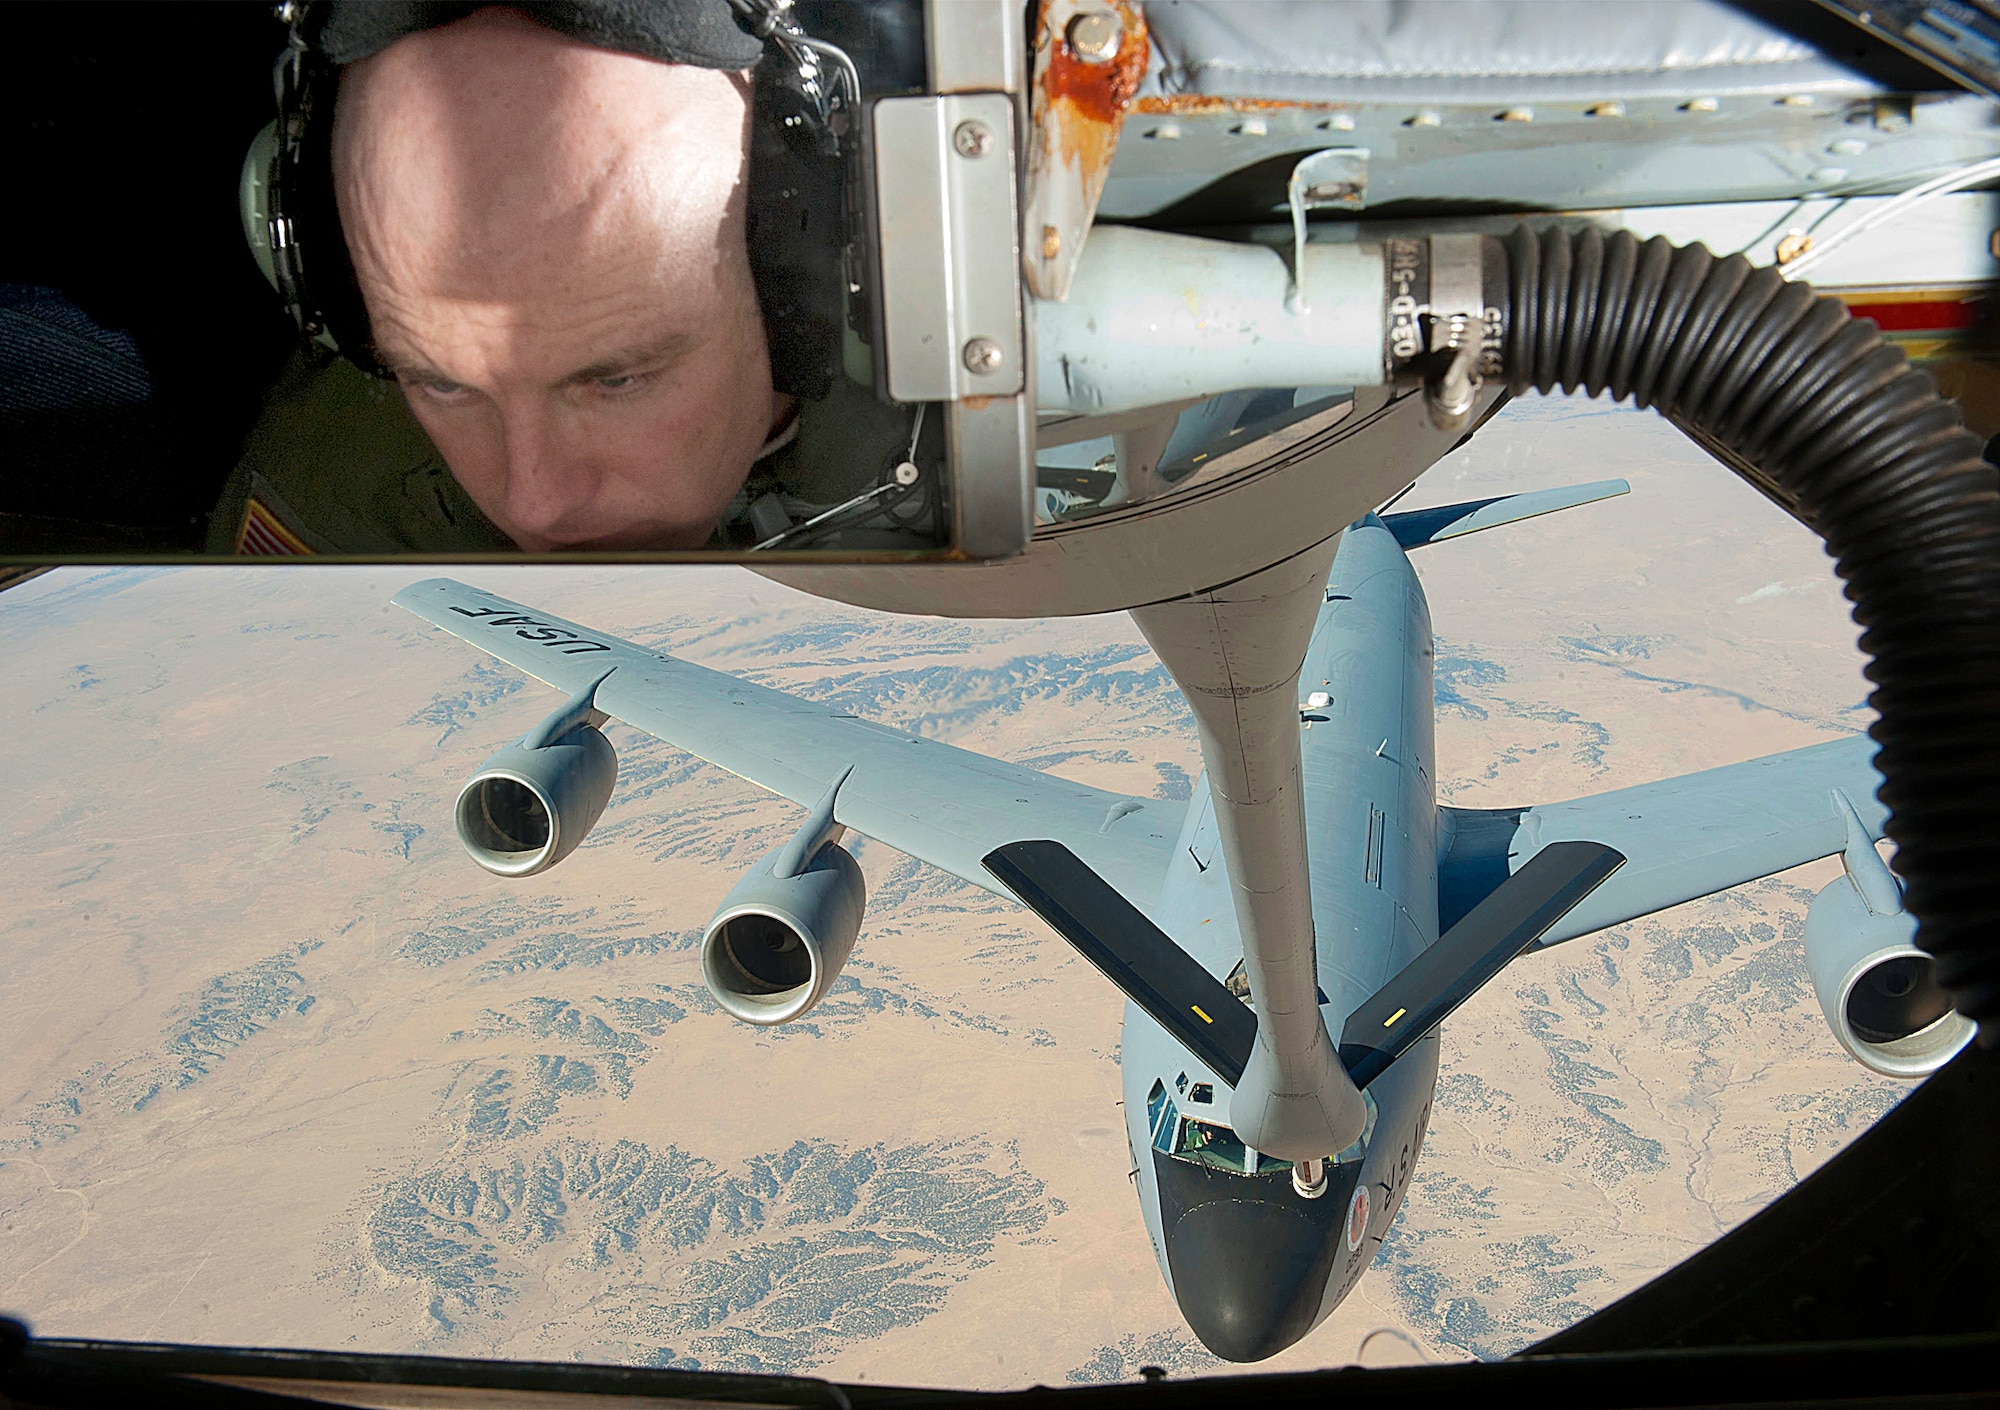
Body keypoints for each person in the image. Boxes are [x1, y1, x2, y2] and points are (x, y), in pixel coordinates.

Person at [209, 1, 911, 555]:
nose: (533, 503)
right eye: (444, 384)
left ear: (793, 275)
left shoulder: (967, 425)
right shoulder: (341, 507)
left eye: (616, 380)